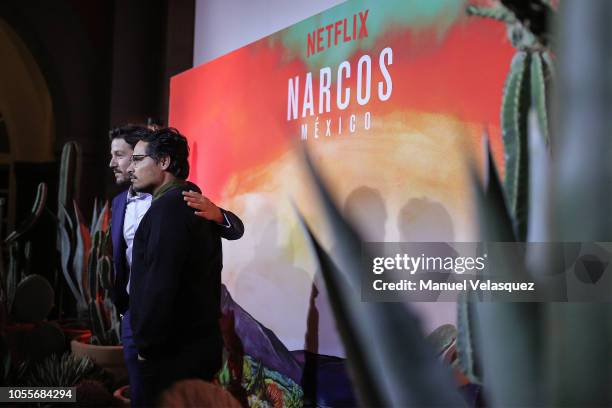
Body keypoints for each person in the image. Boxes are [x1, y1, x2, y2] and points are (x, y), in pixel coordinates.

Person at [108, 124, 244, 407]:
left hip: (170, 346)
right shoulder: (179, 200)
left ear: (164, 162)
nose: (131, 167)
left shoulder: (175, 206)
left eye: (138, 159)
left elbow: (161, 282)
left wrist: (148, 345)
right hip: (173, 338)